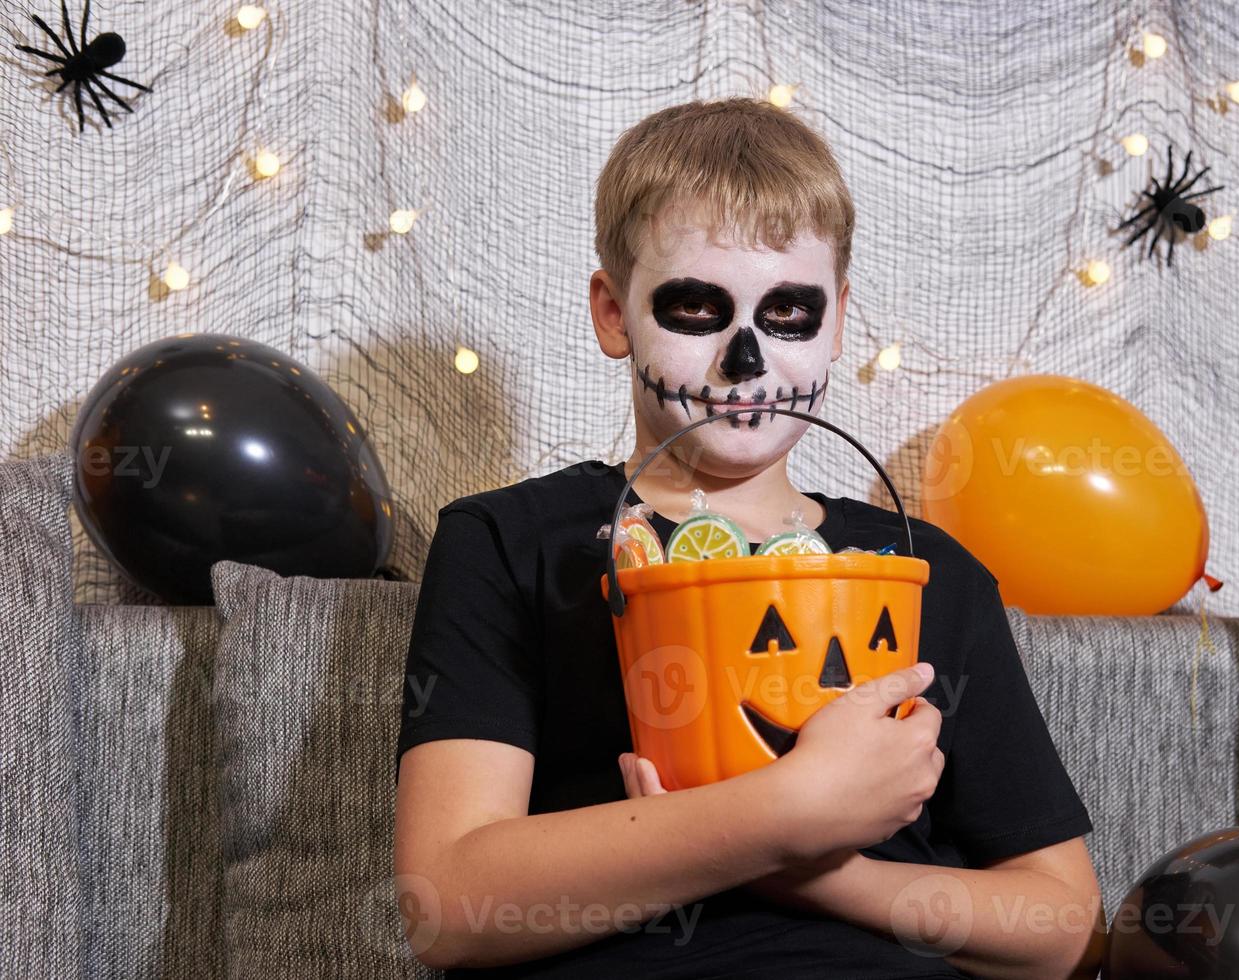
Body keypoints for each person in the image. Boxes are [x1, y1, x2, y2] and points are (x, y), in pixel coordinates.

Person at [394, 96, 1104, 979]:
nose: (747, 362)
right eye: (696, 308)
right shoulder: (507, 543)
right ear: (614, 314)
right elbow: (450, 904)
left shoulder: (930, 575)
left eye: (789, 314)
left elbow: (1061, 926)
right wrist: (782, 812)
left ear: (837, 320)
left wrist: (808, 868)